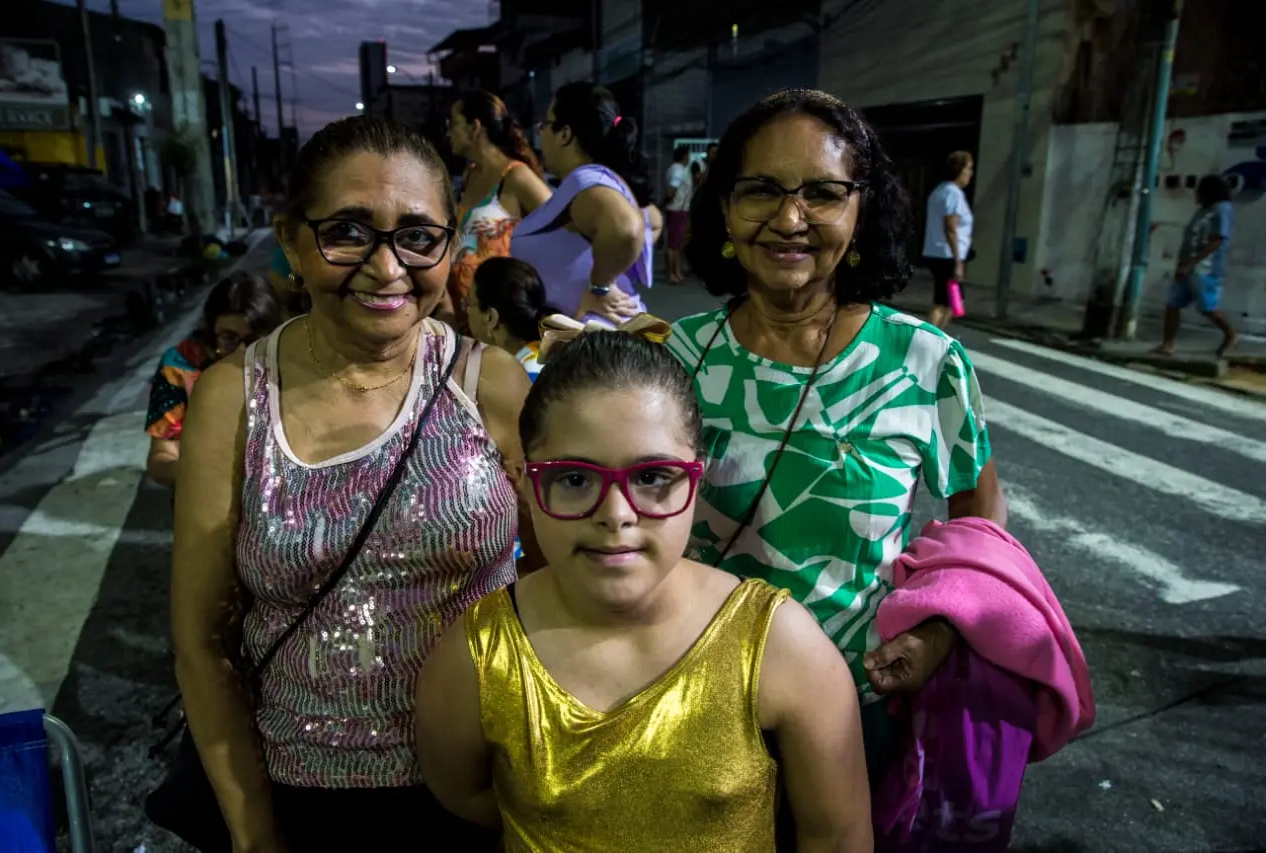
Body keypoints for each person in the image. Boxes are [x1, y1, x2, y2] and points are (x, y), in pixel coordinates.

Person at [170, 114, 536, 853]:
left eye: (418, 235)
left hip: (484, 784)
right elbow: (201, 639)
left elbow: (566, 588)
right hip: (302, 798)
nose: (386, 267)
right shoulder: (234, 396)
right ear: (290, 240)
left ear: (449, 239)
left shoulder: (488, 384)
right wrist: (253, 831)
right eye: (347, 231)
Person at [668, 90, 1006, 822]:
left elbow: (980, 521)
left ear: (861, 212)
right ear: (725, 208)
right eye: (761, 190)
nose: (790, 219)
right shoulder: (676, 355)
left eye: (822, 193)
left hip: (857, 709)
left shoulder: (924, 359)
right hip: (689, 699)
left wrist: (939, 632)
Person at [416, 330, 874, 853]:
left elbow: (837, 835)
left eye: (654, 475)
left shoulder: (779, 645)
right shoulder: (474, 657)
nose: (616, 514)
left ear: (695, 480)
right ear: (526, 483)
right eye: (574, 479)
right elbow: (467, 795)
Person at [510, 82, 652, 326]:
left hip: (600, 344)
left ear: (564, 134)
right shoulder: (599, 181)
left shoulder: (585, 179)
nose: (540, 132)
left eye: (545, 125)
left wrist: (600, 287)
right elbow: (654, 221)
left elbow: (625, 228)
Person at [145, 272, 282, 488]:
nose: (242, 353)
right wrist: (206, 473)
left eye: (255, 341)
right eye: (229, 338)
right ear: (210, 333)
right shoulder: (180, 366)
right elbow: (162, 457)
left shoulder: (289, 358)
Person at [443, 90, 552, 327]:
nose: (447, 131)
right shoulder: (471, 174)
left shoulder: (515, 176)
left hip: (500, 320)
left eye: (453, 123)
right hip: (465, 313)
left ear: (475, 127)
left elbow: (563, 225)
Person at [1156, 174, 1237, 357]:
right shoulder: (1202, 210)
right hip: (1188, 265)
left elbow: (1217, 239)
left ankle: (1230, 334)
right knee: (1173, 302)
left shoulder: (1222, 209)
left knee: (1207, 307)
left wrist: (1192, 263)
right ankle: (1168, 344)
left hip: (1206, 268)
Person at [464, 256, 553, 382]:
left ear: (490, 318)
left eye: (469, 303)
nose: (466, 311)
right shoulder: (544, 357)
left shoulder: (522, 378)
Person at [921, 151, 975, 330]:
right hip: (948, 256)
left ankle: (935, 339)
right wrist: (958, 262)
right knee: (945, 303)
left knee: (950, 303)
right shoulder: (953, 193)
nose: (970, 174)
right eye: (968, 169)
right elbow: (951, 228)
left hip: (939, 253)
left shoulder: (940, 191)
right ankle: (927, 339)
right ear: (958, 170)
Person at [664, 147, 694, 283]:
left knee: (678, 243)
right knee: (674, 244)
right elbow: (672, 190)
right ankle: (672, 273)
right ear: (684, 156)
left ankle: (677, 271)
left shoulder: (676, 169)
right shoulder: (677, 170)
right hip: (677, 209)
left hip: (680, 209)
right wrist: (664, 203)